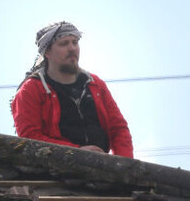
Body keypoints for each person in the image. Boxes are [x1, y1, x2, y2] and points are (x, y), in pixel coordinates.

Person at [10, 21, 133, 158]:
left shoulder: (95, 84)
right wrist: (77, 152)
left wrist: (125, 164)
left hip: (103, 165)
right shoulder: (31, 89)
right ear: (47, 52)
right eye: (64, 44)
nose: (72, 48)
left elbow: (118, 128)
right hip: (54, 166)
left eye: (75, 42)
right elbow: (29, 137)